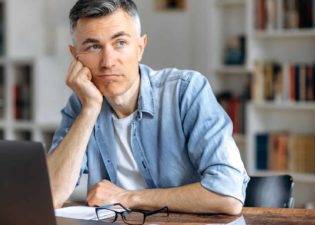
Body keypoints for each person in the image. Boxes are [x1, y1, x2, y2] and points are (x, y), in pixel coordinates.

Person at [47, 0, 249, 215]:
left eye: (120, 43)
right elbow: (50, 196)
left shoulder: (186, 91)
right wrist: (89, 110)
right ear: (75, 56)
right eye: (93, 47)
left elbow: (229, 194)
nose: (107, 62)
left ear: (140, 47)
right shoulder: (81, 104)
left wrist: (128, 197)